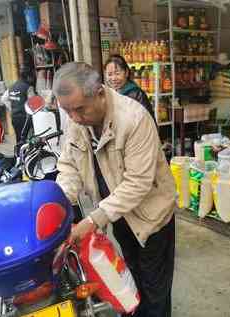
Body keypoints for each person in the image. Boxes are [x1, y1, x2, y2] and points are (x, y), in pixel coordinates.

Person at [53, 62, 176, 317]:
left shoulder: (133, 118)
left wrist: (92, 220)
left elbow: (138, 183)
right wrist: (63, 198)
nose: (74, 118)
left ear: (99, 93)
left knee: (155, 288)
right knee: (129, 276)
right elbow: (68, 165)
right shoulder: (76, 121)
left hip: (151, 218)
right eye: (67, 111)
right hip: (117, 214)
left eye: (79, 109)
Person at [104, 54, 154, 119]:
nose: (113, 78)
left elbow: (147, 121)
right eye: (110, 74)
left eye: (117, 73)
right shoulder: (111, 94)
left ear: (126, 72)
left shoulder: (136, 94)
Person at [3, 68, 35, 143]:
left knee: (19, 137)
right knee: (27, 138)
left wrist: (12, 108)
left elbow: (4, 99)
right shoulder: (28, 87)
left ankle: (19, 153)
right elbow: (32, 102)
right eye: (32, 76)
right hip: (25, 117)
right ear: (28, 76)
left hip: (14, 117)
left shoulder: (12, 87)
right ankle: (26, 153)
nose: (32, 79)